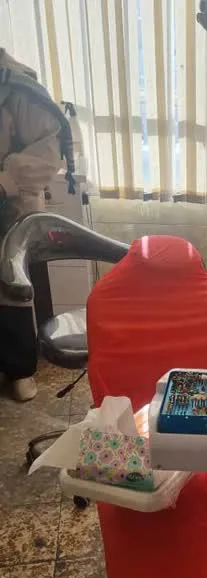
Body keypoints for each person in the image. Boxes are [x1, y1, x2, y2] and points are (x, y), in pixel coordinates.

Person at [0, 49, 73, 401]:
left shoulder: (17, 86)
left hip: (11, 200)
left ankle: (20, 369)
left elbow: (46, 153)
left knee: (12, 287)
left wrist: (4, 182)